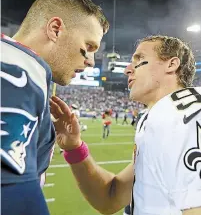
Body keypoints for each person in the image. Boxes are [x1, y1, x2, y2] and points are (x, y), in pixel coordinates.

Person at [50, 35, 201, 215]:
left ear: (171, 64)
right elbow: (110, 198)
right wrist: (74, 148)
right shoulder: (159, 117)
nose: (127, 70)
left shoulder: (182, 116)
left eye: (140, 60)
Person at [1, 0, 109, 215]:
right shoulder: (16, 73)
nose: (91, 61)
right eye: (88, 46)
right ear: (55, 29)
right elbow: (10, 196)